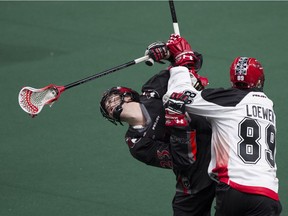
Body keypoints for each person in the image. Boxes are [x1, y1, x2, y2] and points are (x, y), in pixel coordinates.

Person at [160, 34, 282, 215]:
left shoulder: (228, 100)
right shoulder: (268, 106)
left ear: (233, 80)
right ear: (259, 81)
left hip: (235, 189)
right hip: (268, 195)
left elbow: (177, 96)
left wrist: (182, 62)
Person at [99, 42, 215, 215]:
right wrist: (177, 120)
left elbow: (192, 60)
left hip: (222, 152)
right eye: (107, 106)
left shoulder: (152, 90)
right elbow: (183, 159)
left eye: (113, 98)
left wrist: (168, 53)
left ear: (129, 95)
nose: (109, 103)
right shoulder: (137, 144)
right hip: (194, 180)